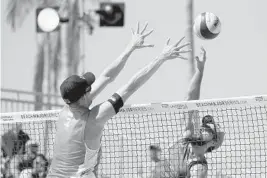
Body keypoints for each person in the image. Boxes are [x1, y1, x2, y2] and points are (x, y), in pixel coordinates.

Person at [47, 22, 191, 178]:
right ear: (83, 95)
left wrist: (131, 47)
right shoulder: (93, 119)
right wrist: (161, 57)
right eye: (89, 87)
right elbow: (130, 87)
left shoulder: (66, 110)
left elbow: (107, 76)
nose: (92, 87)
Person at [148, 48, 225, 178]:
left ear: (212, 142)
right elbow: (190, 99)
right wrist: (200, 70)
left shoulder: (199, 167)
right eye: (204, 125)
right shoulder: (188, 138)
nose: (204, 127)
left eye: (208, 128)